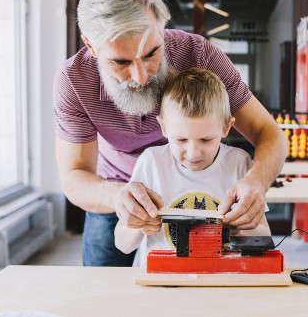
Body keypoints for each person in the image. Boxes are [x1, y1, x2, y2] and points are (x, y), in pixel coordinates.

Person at [53, 0, 286, 266]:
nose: (140, 76)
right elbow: (74, 178)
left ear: (162, 28)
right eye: (120, 62)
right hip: (112, 190)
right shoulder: (72, 81)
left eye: (151, 53)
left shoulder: (201, 55)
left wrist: (255, 182)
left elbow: (269, 132)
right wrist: (118, 197)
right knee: (105, 295)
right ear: (90, 46)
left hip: (189, 191)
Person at [115, 68, 271, 266]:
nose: (193, 153)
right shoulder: (151, 162)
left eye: (206, 139)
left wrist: (238, 227)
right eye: (181, 139)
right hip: (160, 281)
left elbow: (265, 235)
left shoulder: (239, 162)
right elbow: (122, 244)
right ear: (163, 127)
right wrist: (139, 224)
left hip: (217, 277)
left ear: (227, 127)